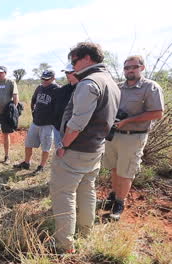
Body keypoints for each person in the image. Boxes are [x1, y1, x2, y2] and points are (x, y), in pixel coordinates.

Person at [49, 42, 120, 253]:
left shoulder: (88, 83)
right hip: (95, 149)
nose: (73, 65)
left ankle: (64, 245)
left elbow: (77, 123)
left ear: (87, 58)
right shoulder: (112, 82)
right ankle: (85, 233)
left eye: (74, 61)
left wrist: (64, 145)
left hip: (76, 150)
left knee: (63, 194)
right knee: (87, 190)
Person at [101, 55, 164, 221]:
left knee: (126, 171)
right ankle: (113, 197)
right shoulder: (119, 87)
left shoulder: (150, 87)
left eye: (134, 67)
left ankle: (120, 203)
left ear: (142, 68)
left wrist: (128, 120)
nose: (130, 70)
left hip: (133, 137)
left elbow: (157, 113)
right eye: (127, 67)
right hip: (114, 135)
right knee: (114, 168)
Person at [14, 69, 59, 174]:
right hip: (36, 122)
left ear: (53, 78)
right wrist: (34, 112)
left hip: (48, 124)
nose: (44, 81)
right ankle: (26, 163)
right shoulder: (39, 87)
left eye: (47, 79)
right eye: (43, 78)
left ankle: (41, 166)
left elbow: (60, 107)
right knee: (28, 144)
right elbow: (33, 100)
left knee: (46, 147)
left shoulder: (57, 90)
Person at [52, 64, 78, 149]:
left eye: (69, 72)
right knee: (58, 155)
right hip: (58, 128)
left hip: (71, 131)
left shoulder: (82, 89)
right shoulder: (62, 89)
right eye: (66, 72)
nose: (67, 74)